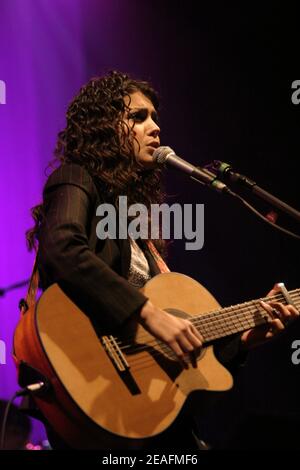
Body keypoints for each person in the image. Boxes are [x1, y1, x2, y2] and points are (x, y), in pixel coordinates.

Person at [24, 70, 298, 450]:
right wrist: (148, 313)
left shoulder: (135, 221)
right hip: (98, 395)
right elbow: (62, 246)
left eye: (155, 117)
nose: (154, 128)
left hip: (154, 413)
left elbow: (172, 349)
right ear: (104, 127)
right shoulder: (76, 178)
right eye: (139, 117)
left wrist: (246, 339)